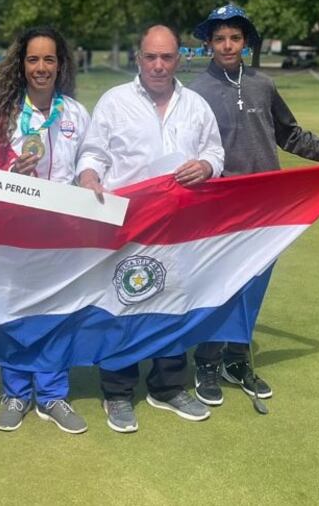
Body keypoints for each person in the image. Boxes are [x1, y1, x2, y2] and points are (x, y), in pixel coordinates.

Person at [188, 3, 319, 407]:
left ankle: (236, 361)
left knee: (253, 286)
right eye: (219, 38)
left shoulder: (262, 85)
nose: (227, 45)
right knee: (218, 287)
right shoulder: (194, 93)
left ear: (245, 42)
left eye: (234, 38)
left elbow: (293, 137)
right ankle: (206, 361)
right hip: (219, 208)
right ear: (207, 43)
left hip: (268, 209)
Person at [76, 25, 224, 433]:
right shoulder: (114, 101)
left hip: (180, 226)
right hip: (129, 223)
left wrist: (208, 165)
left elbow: (215, 149)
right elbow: (93, 152)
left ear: (179, 59)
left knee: (174, 303)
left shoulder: (195, 105)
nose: (158, 65)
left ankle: (168, 387)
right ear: (138, 59)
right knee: (125, 302)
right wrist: (89, 177)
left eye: (167, 57)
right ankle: (118, 392)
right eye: (150, 57)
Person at [0, 27, 91, 435]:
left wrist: (90, 176)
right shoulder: (3, 116)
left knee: (58, 311)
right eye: (33, 60)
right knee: (15, 310)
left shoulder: (76, 114)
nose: (41, 68)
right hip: (14, 231)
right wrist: (10, 171)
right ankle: (15, 390)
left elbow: (90, 158)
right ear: (21, 65)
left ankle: (52, 394)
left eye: (48, 59)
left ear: (60, 65)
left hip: (63, 232)